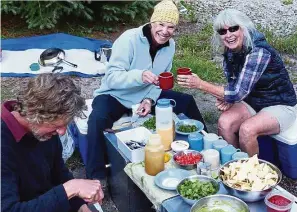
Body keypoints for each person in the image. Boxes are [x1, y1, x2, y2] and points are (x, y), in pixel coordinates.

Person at [87, 0, 207, 180]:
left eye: (171, 27)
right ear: (152, 22)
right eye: (161, 24)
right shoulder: (129, 39)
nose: (165, 31)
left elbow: (161, 78)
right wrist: (139, 76)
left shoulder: (170, 46)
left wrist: (149, 100)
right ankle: (97, 177)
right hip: (115, 95)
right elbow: (111, 77)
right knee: (97, 119)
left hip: (145, 93)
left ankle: (202, 148)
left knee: (186, 101)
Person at [1, 74, 119, 212]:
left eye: (65, 125)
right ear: (34, 113)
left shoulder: (44, 131)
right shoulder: (4, 144)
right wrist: (70, 189)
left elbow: (59, 174)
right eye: (57, 125)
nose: (62, 132)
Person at [177, 9, 297, 156]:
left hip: (280, 104)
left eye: (233, 28)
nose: (228, 35)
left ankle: (251, 173)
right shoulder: (231, 51)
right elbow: (234, 87)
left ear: (244, 28)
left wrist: (200, 84)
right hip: (253, 101)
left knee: (247, 129)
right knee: (224, 123)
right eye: (222, 31)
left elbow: (237, 93)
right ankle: (235, 164)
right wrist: (228, 99)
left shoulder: (259, 51)